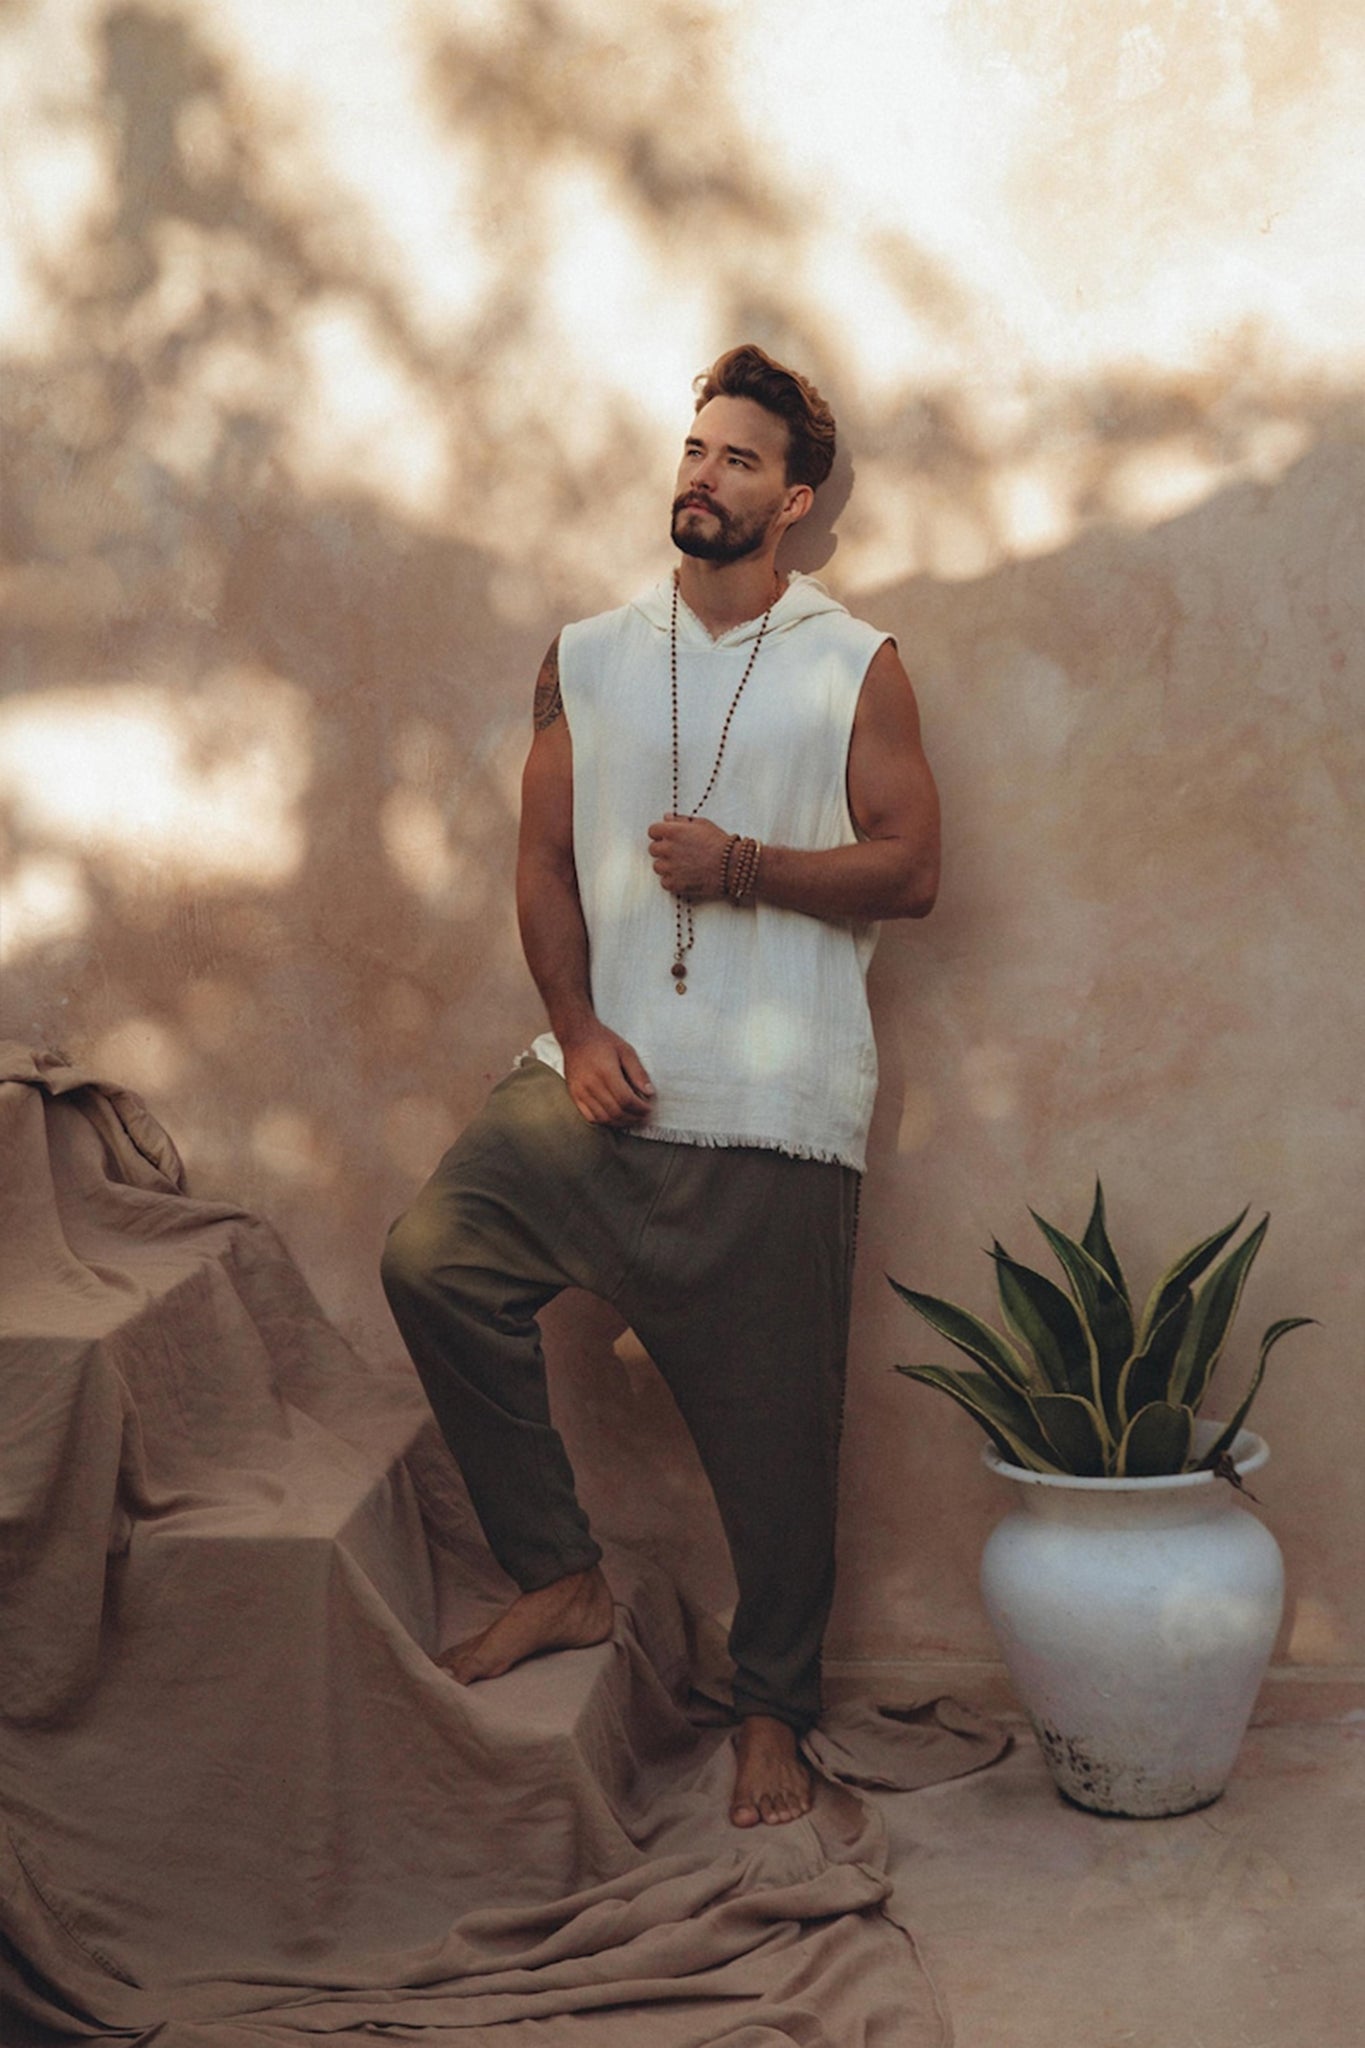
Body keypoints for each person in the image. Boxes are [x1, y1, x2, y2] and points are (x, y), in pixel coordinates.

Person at [381, 343, 940, 1828]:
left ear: (794, 500)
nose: (703, 475)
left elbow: (912, 867)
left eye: (740, 459)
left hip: (774, 1107)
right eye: (695, 449)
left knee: (775, 1447)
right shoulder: (586, 652)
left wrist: (741, 867)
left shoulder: (851, 660)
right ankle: (560, 1578)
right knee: (434, 1261)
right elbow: (543, 859)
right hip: (602, 1085)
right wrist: (571, 1028)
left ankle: (772, 1714)